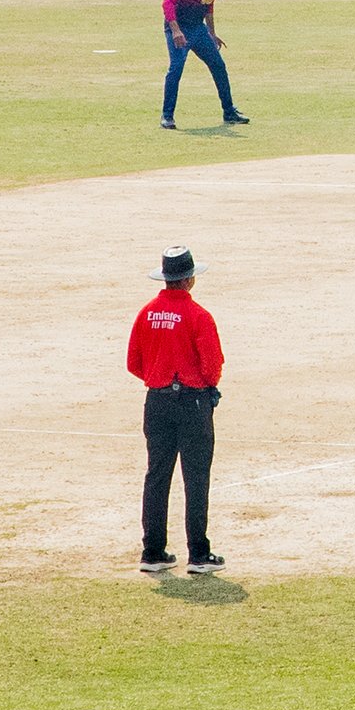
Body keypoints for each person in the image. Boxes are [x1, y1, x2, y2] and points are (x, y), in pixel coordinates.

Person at [128, 244, 225, 576]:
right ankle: (198, 553)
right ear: (190, 279)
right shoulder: (199, 316)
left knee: (157, 475)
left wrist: (158, 379)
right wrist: (200, 384)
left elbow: (134, 363)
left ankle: (152, 551)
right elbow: (212, 366)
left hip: (156, 401)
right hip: (192, 401)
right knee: (195, 478)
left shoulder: (146, 313)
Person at [159, 0, 247, 131]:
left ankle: (229, 111)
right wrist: (175, 31)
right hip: (179, 28)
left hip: (198, 29)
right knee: (176, 69)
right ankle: (167, 116)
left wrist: (212, 33)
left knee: (218, 66)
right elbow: (168, 2)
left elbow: (209, 5)